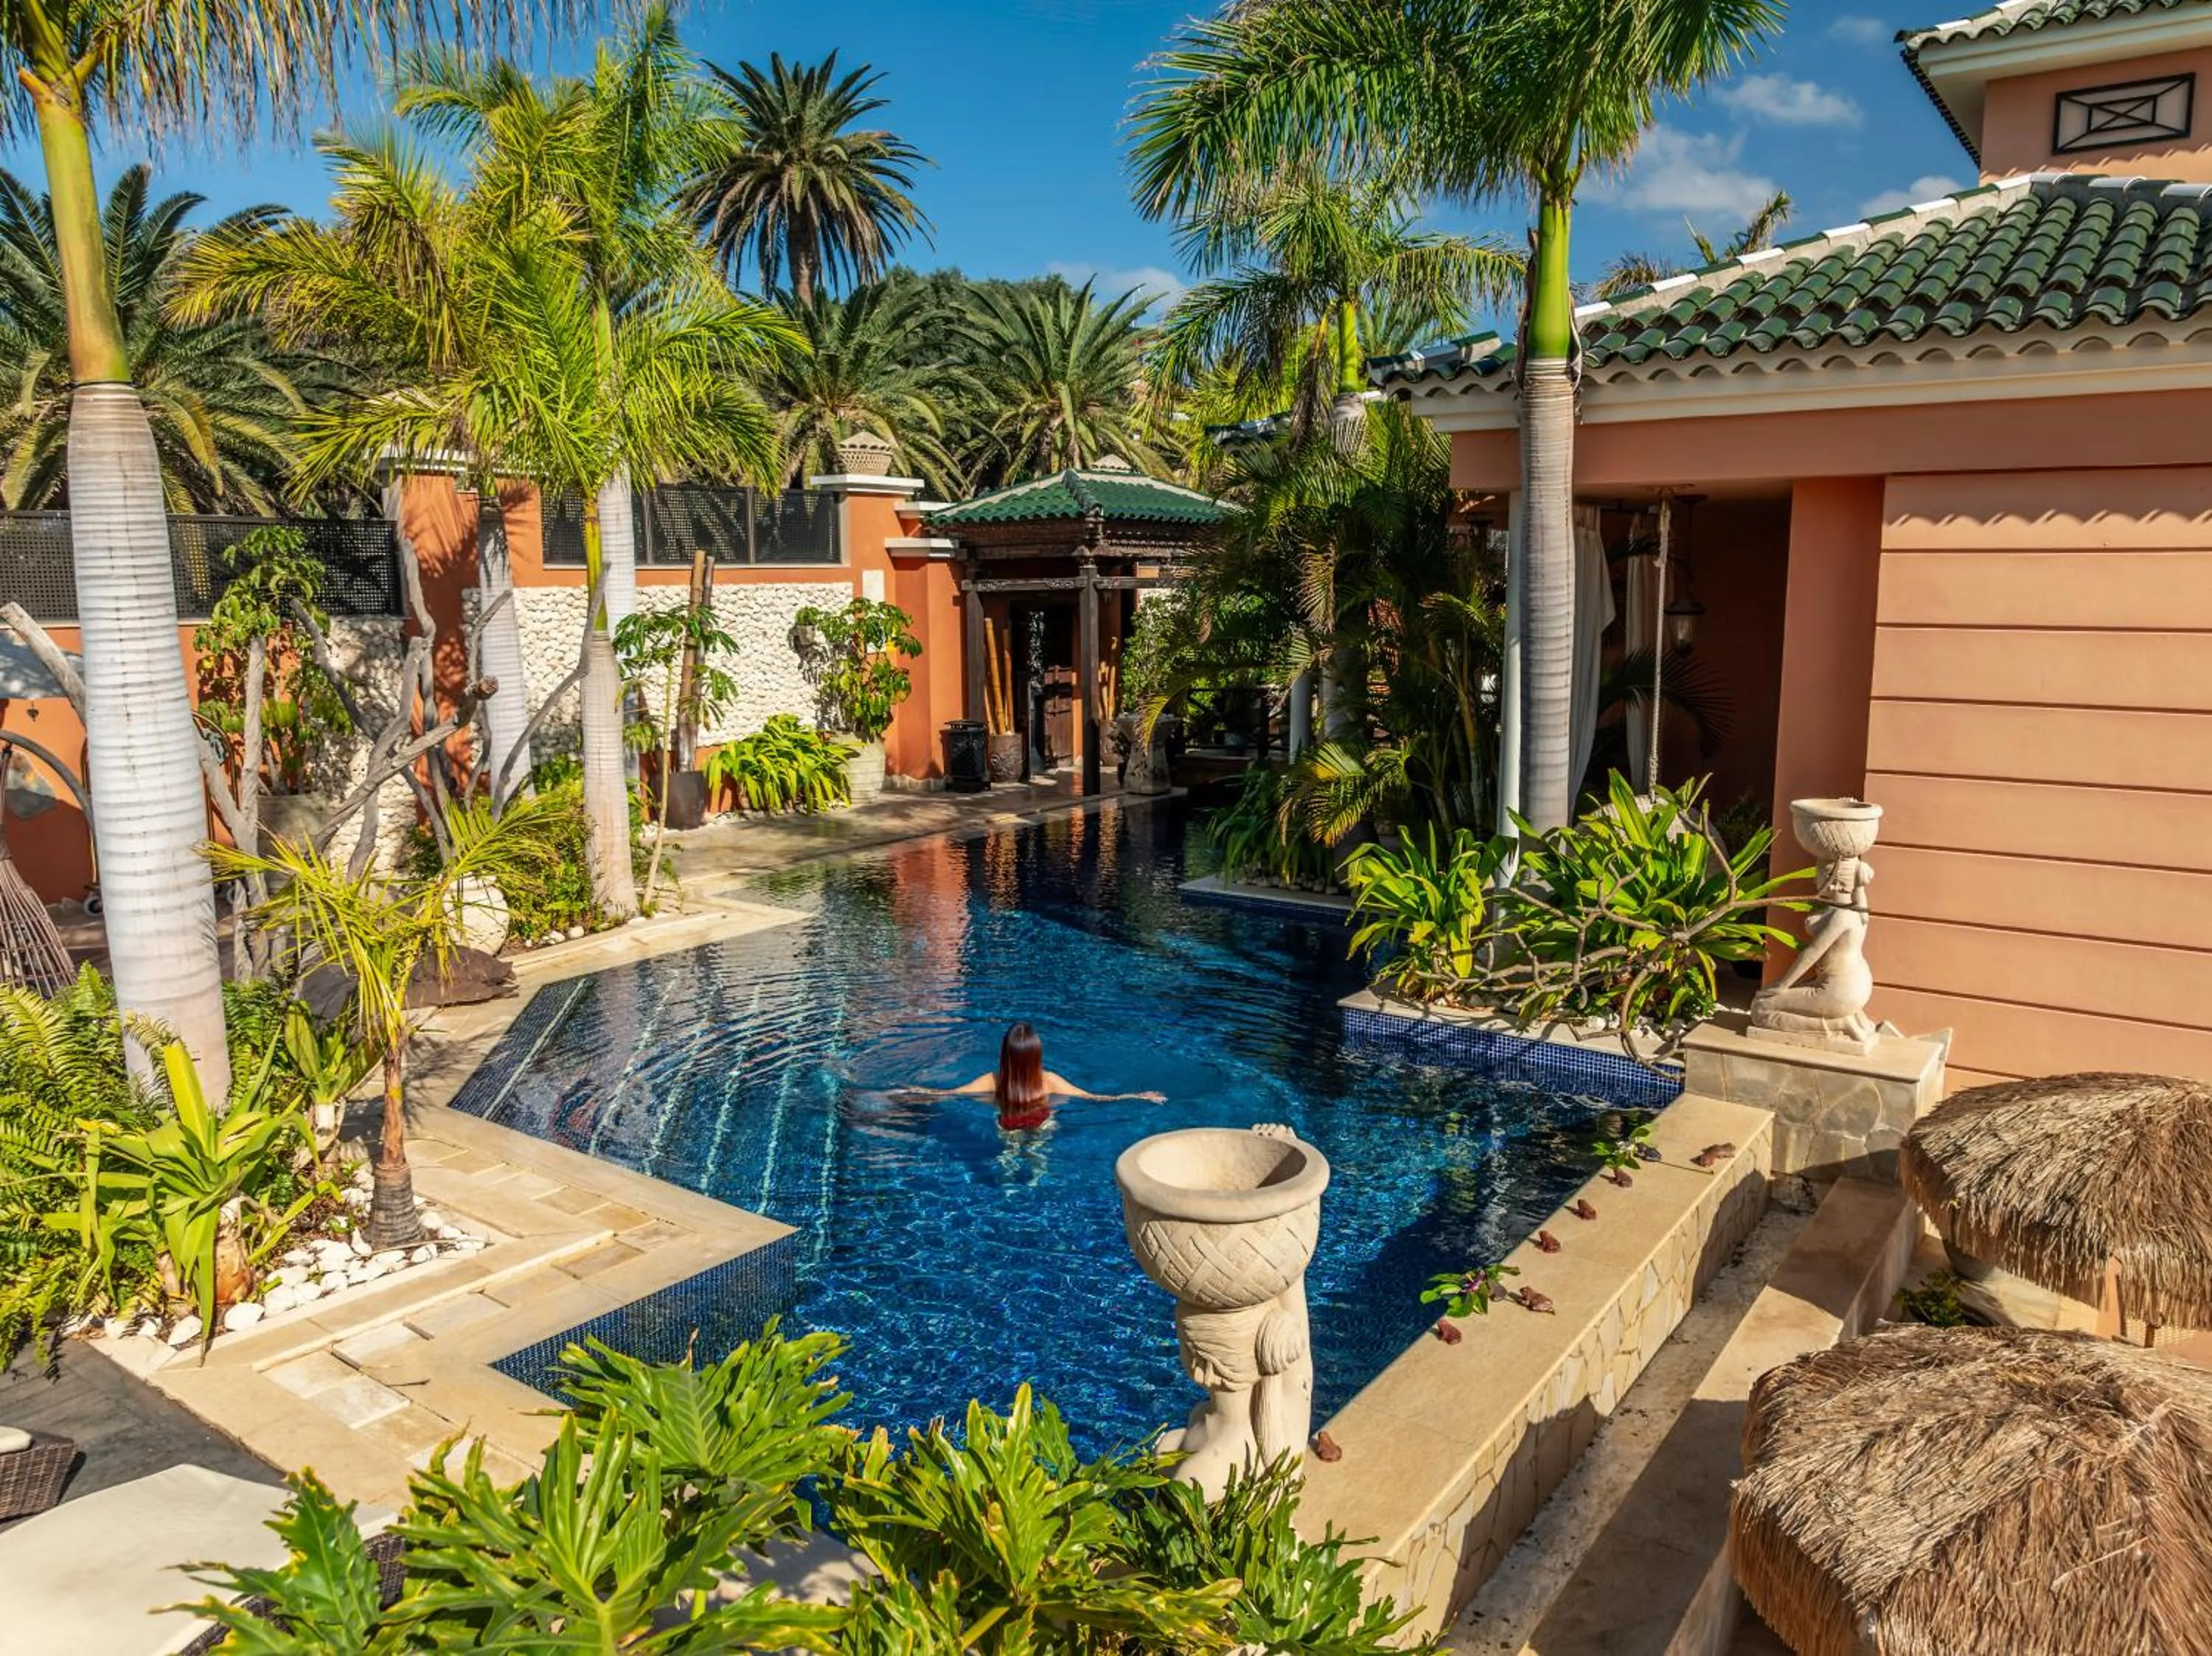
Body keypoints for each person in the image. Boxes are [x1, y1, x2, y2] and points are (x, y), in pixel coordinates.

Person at [947, 1022, 1164, 1130]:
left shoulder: (992, 1080)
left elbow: (952, 1094)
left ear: (1005, 1054)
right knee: (1038, 1162)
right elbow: (1093, 1097)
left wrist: (915, 1092)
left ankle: (1008, 1187)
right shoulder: (1049, 1080)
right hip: (1042, 1123)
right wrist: (1137, 1096)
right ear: (1036, 1054)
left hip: (1007, 1122)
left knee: (1007, 1160)